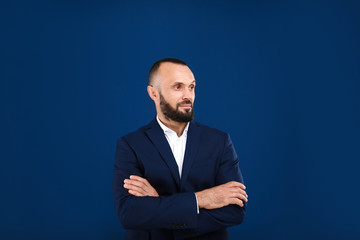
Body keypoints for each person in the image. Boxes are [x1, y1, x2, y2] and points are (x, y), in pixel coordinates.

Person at [113, 58, 248, 240]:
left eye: (191, 87)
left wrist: (157, 205)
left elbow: (235, 210)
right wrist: (203, 199)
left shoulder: (220, 141)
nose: (188, 95)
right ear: (153, 93)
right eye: (178, 87)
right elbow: (129, 214)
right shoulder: (130, 145)